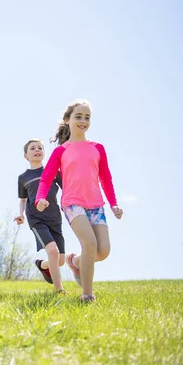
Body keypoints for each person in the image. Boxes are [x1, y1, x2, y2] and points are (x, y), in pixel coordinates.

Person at [35, 100, 123, 302]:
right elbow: (47, 177)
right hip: (72, 203)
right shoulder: (61, 151)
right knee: (89, 244)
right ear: (67, 120)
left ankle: (74, 262)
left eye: (87, 117)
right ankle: (87, 295)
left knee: (103, 251)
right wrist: (40, 198)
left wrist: (114, 204)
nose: (83, 121)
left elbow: (106, 178)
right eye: (78, 116)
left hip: (96, 204)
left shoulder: (97, 148)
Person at [15, 139, 66, 294]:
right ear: (26, 155)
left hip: (55, 217)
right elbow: (23, 200)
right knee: (53, 251)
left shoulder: (53, 171)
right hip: (36, 219)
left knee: (60, 260)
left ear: (44, 152)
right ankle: (59, 291)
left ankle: (42, 265)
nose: (37, 150)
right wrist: (21, 214)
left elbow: (67, 189)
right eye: (32, 148)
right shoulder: (23, 177)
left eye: (40, 148)